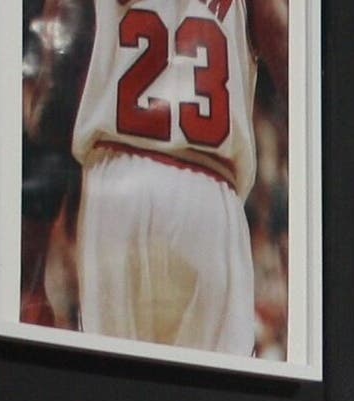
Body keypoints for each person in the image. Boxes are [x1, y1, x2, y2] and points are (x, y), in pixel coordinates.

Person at [65, 0, 289, 356]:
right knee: (214, 397)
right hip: (209, 190)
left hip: (116, 181)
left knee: (111, 389)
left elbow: (53, 83)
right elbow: (287, 49)